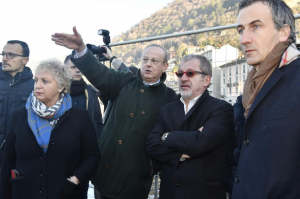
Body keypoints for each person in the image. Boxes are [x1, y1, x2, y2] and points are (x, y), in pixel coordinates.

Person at [51, 27, 178, 199]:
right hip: (103, 173)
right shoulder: (124, 81)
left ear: (165, 66)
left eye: (155, 61)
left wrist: (151, 167)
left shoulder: (169, 98)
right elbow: (98, 72)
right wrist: (81, 50)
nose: (148, 64)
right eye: (145, 59)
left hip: (135, 182)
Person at [0, 59, 101, 199]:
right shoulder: (19, 115)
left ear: (61, 86)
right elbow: (8, 160)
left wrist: (75, 180)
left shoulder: (79, 117)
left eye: (45, 81)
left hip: (64, 193)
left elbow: (92, 156)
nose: (38, 86)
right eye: (36, 80)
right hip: (24, 193)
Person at [232, 0, 299, 198]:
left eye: (256, 26)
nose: (244, 39)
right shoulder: (250, 86)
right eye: (240, 30)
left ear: (283, 32)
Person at [146, 54, 234, 199]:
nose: (183, 78)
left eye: (190, 73)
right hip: (170, 194)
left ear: (206, 80)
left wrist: (167, 136)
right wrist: (177, 155)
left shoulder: (221, 109)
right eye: (180, 74)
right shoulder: (167, 110)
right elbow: (151, 145)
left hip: (204, 194)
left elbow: (201, 142)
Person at [64, 55, 103, 199]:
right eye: (73, 67)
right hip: (61, 153)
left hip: (84, 154)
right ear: (65, 70)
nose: (78, 71)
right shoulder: (57, 91)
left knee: (82, 191)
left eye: (80, 67)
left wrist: (97, 145)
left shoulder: (90, 92)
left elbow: (98, 121)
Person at [0, 41, 34, 170]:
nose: (4, 58)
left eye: (11, 55)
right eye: (3, 54)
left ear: (25, 60)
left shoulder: (35, 87)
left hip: (22, 159)